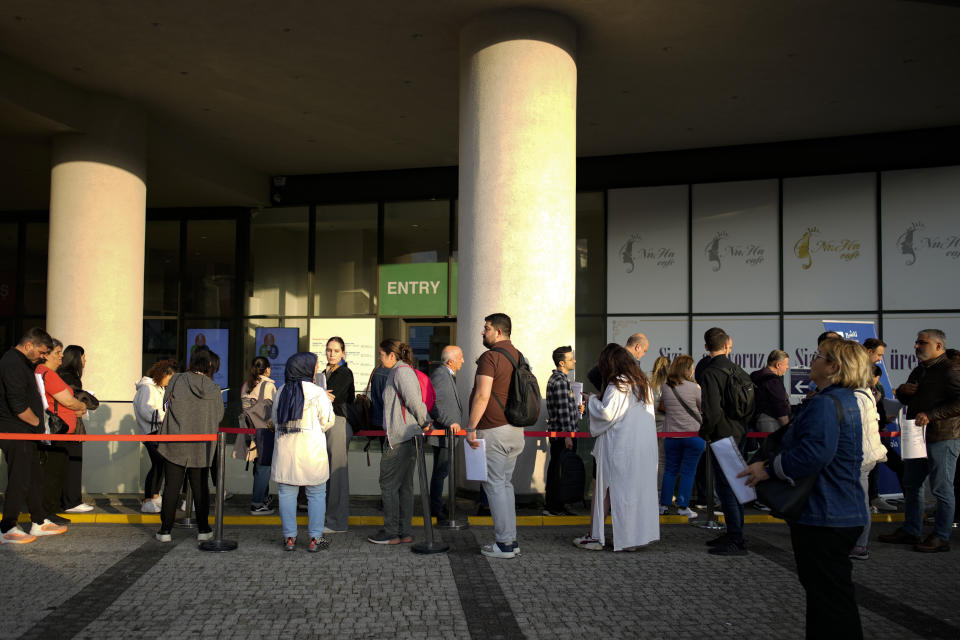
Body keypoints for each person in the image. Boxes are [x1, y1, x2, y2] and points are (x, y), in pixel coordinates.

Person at [739, 338, 869, 640]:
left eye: (818, 356)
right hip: (839, 509)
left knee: (828, 598)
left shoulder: (825, 404)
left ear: (834, 366)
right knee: (831, 596)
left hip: (825, 512)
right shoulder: (845, 399)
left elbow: (815, 453)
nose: (811, 361)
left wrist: (769, 468)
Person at [879, 329, 960, 552]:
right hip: (917, 436)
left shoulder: (950, 370)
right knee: (912, 484)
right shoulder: (920, 370)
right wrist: (903, 392)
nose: (916, 346)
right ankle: (911, 529)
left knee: (942, 489)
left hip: (942, 437)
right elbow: (907, 398)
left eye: (922, 343)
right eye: (916, 342)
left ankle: (941, 536)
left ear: (938, 346)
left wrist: (932, 415)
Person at [574, 344, 659, 551]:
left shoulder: (619, 384)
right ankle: (633, 538)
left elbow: (607, 414)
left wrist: (591, 399)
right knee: (634, 494)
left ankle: (597, 537)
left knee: (610, 491)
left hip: (620, 449)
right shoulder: (642, 384)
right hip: (642, 449)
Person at [464, 313, 529, 559]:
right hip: (515, 430)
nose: (483, 332)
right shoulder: (519, 356)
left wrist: (471, 427)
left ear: (499, 332)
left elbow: (482, 395)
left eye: (487, 328)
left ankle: (503, 543)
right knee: (504, 485)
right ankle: (510, 540)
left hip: (493, 429)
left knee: (494, 486)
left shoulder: (490, 357)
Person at [155, 349, 224, 543]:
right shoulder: (214, 388)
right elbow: (219, 416)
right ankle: (203, 529)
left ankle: (165, 531)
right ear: (210, 365)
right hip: (201, 445)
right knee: (200, 486)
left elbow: (165, 403)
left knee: (171, 487)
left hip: (174, 441)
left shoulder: (177, 379)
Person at [368, 339, 432, 545]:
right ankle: (403, 531)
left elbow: (414, 401)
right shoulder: (400, 371)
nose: (379, 358)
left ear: (392, 356)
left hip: (400, 438)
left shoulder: (401, 372)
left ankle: (392, 532)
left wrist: (425, 422)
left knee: (388, 484)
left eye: (381, 354)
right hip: (405, 436)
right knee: (403, 486)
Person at [271, 352, 336, 552]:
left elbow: (274, 420)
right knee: (316, 493)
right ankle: (315, 539)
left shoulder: (281, 391)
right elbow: (328, 421)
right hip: (311, 451)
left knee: (286, 493)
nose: (317, 369)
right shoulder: (317, 392)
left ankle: (289, 538)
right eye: (315, 366)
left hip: (286, 451)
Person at [0, 327, 59, 544]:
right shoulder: (12, 363)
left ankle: (39, 521)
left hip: (24, 431)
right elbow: (17, 404)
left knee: (34, 477)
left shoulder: (22, 362)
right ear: (28, 345)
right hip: (15, 430)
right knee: (20, 479)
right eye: (42, 352)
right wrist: (38, 424)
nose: (43, 357)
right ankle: (7, 527)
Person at [698, 327, 751, 556]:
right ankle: (734, 532)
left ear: (706, 346)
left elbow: (711, 411)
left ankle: (736, 538)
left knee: (726, 487)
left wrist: (706, 433)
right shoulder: (737, 369)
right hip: (739, 431)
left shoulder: (710, 372)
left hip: (721, 435)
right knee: (735, 485)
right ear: (727, 345)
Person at [37, 339, 88, 525]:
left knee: (57, 473)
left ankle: (51, 510)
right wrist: (81, 405)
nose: (61, 356)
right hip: (55, 432)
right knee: (52, 474)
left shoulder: (51, 374)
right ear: (46, 354)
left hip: (62, 431)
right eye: (58, 352)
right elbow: (67, 400)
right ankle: (46, 513)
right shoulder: (46, 374)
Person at [315, 336, 355, 533]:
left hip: (339, 423)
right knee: (328, 473)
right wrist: (322, 394)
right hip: (327, 424)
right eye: (329, 350)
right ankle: (330, 519)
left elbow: (334, 396)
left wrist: (319, 394)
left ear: (343, 352)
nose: (331, 354)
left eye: (336, 350)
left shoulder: (345, 372)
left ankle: (337, 522)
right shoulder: (323, 373)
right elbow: (324, 396)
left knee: (337, 473)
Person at [658, 354, 705, 519]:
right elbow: (701, 407)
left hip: (671, 435)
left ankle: (663, 505)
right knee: (688, 472)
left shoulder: (666, 387)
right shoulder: (695, 388)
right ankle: (683, 506)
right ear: (687, 370)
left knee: (670, 470)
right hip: (693, 435)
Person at [544, 345, 584, 516]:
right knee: (560, 471)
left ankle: (555, 505)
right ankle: (555, 506)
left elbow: (565, 409)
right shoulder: (560, 382)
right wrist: (568, 436)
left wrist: (577, 410)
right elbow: (561, 411)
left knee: (558, 469)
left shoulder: (560, 380)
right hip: (563, 434)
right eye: (570, 359)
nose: (574, 361)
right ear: (561, 363)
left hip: (562, 433)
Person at [134, 359, 178, 514]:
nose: (170, 382)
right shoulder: (147, 388)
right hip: (151, 432)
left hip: (155, 431)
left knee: (159, 465)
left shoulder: (155, 388)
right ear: (164, 374)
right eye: (170, 378)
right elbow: (146, 411)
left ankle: (153, 496)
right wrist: (165, 415)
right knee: (158, 464)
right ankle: (148, 499)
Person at [428, 345, 465, 521]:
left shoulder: (446, 375)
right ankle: (436, 507)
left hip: (448, 434)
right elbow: (434, 404)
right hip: (443, 434)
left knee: (442, 471)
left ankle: (437, 505)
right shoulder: (441, 375)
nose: (463, 361)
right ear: (450, 361)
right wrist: (450, 422)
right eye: (460, 357)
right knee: (440, 472)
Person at [240, 356, 277, 515]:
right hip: (264, 431)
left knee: (258, 465)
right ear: (267, 369)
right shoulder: (268, 385)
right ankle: (257, 503)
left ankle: (263, 497)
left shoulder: (246, 385)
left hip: (248, 431)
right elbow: (274, 411)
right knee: (264, 467)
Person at [58, 345, 92, 513]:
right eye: (84, 357)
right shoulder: (71, 378)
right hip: (70, 425)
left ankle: (63, 500)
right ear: (77, 359)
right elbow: (72, 401)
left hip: (61, 426)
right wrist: (83, 404)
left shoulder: (59, 375)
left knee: (63, 462)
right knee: (74, 461)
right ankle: (72, 501)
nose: (85, 361)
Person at [750, 350, 791, 432]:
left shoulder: (754, 375)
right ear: (778, 365)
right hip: (770, 423)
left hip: (755, 421)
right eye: (786, 364)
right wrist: (787, 428)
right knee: (772, 444)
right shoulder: (773, 380)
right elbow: (780, 406)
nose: (787, 367)